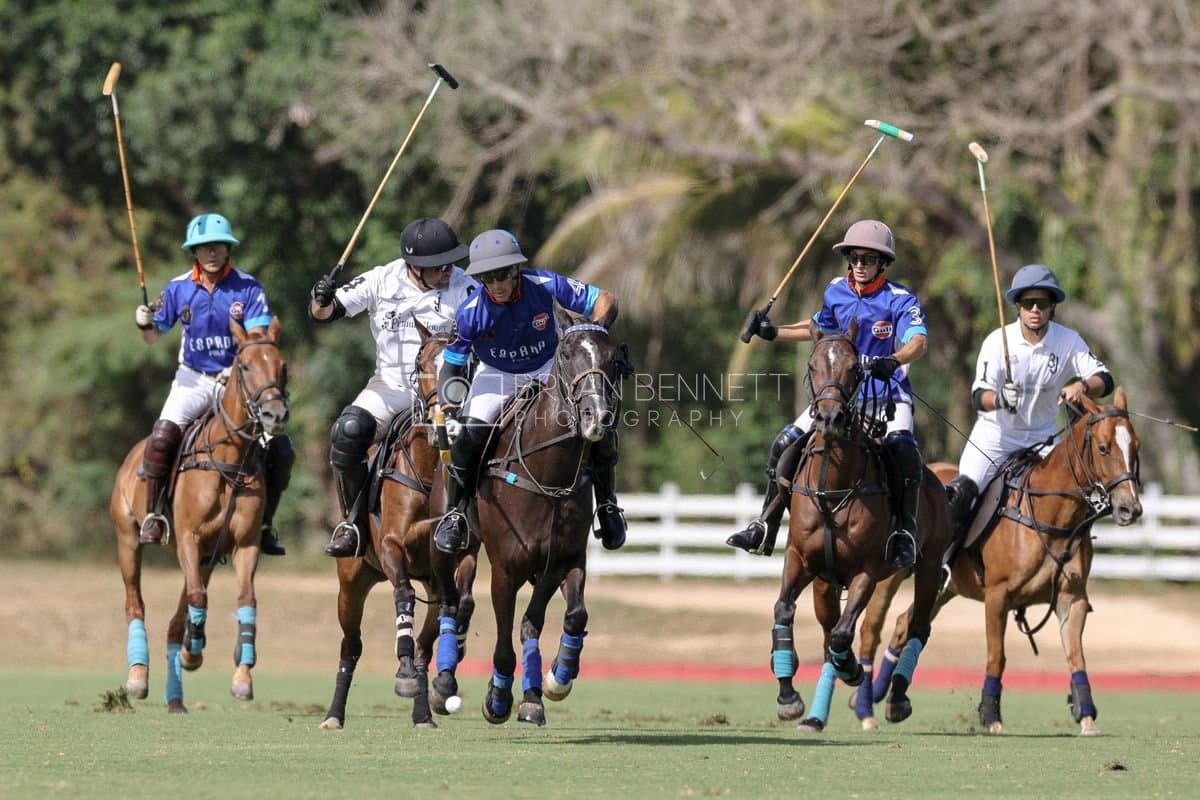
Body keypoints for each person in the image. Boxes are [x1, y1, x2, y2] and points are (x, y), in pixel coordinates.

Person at [728, 219, 928, 568]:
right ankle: (765, 525)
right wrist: (771, 332)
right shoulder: (836, 290)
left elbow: (919, 342)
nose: (860, 264)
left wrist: (892, 360)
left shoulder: (899, 299)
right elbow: (816, 328)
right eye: (855, 257)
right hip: (838, 397)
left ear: (883, 262)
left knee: (905, 453)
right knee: (782, 443)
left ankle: (902, 534)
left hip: (886, 394)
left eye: (868, 258)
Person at [431, 229, 624, 555]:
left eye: (503, 274)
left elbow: (606, 299)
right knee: (468, 435)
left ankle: (606, 504)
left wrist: (592, 330)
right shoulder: (470, 312)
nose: (497, 284)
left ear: (517, 269)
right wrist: (448, 407)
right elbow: (453, 362)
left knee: (597, 424)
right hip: (496, 375)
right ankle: (456, 513)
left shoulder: (547, 286)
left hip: (548, 368)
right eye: (487, 277)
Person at [310, 217, 478, 557]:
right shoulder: (381, 280)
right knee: (347, 430)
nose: (449, 271)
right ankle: (353, 524)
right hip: (393, 386)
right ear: (415, 267)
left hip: (452, 389)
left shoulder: (467, 286)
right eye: (439, 267)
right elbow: (324, 313)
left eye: (452, 263)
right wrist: (320, 297)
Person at [134, 212, 291, 555]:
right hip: (192, 380)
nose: (211, 253)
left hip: (237, 382)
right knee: (162, 437)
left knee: (281, 449)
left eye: (218, 246)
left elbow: (259, 336)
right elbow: (152, 337)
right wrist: (143, 320)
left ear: (227, 249)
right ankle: (155, 515)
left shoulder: (247, 288)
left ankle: (264, 525)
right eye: (203, 247)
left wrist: (239, 369)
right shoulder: (177, 288)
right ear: (193, 251)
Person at [945, 263, 1113, 524]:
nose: (1035, 309)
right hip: (996, 438)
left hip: (1043, 437)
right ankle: (947, 560)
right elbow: (979, 395)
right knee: (963, 495)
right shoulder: (997, 340)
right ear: (1018, 306)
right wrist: (999, 399)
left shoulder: (1068, 340)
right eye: (1028, 302)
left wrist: (1083, 386)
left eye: (1042, 303)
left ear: (1052, 306)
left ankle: (1072, 560)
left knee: (1081, 501)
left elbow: (1105, 379)